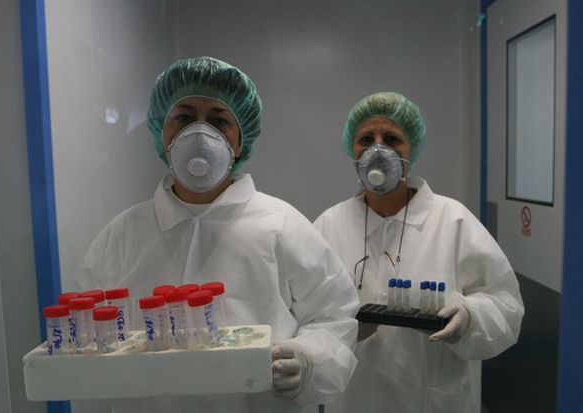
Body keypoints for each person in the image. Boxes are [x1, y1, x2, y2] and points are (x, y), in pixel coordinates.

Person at [75, 56, 359, 413]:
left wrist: (308, 359)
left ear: (240, 141)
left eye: (219, 120)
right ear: (162, 132)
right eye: (183, 118)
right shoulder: (122, 235)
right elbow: (84, 335)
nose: (199, 134)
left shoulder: (282, 225)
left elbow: (335, 315)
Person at [313, 92, 524, 413]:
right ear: (351, 148)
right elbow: (305, 311)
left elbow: (506, 305)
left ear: (412, 148)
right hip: (355, 398)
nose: (377, 150)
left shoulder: (453, 220)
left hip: (431, 399)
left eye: (392, 139)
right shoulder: (329, 225)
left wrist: (471, 318)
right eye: (366, 139)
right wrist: (338, 327)